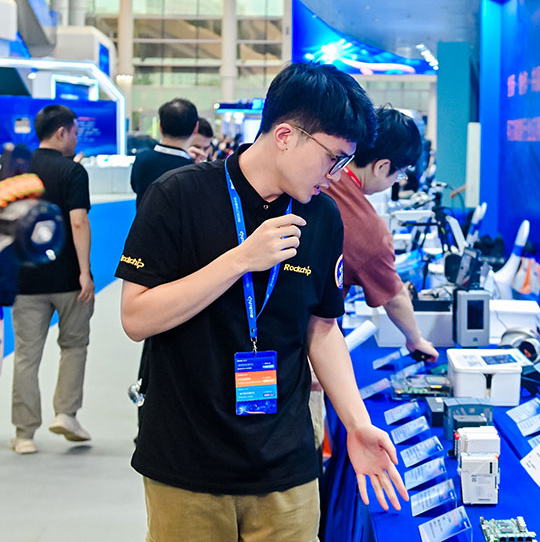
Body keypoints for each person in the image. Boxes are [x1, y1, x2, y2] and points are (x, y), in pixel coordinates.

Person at [115, 62, 407, 541]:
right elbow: (135, 317)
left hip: (285, 463)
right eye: (332, 159)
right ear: (286, 136)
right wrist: (239, 261)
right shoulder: (178, 195)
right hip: (187, 459)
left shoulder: (322, 216)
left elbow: (323, 328)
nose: (335, 176)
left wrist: (356, 423)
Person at [10, 104, 94, 455]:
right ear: (62, 132)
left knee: (26, 355)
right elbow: (78, 222)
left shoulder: (16, 170)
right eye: (74, 132)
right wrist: (85, 271)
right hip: (68, 279)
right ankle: (66, 414)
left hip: (24, 278)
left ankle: (24, 434)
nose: (76, 139)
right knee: (73, 346)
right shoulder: (72, 172)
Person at [324, 107, 438, 361]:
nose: (398, 180)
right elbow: (394, 297)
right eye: (400, 173)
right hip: (307, 339)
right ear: (382, 166)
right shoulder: (369, 230)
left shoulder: (321, 172)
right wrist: (416, 340)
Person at [130, 98, 198, 207]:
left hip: (144, 218)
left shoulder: (141, 159)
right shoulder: (193, 170)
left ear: (160, 126)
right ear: (196, 127)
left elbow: (135, 188)